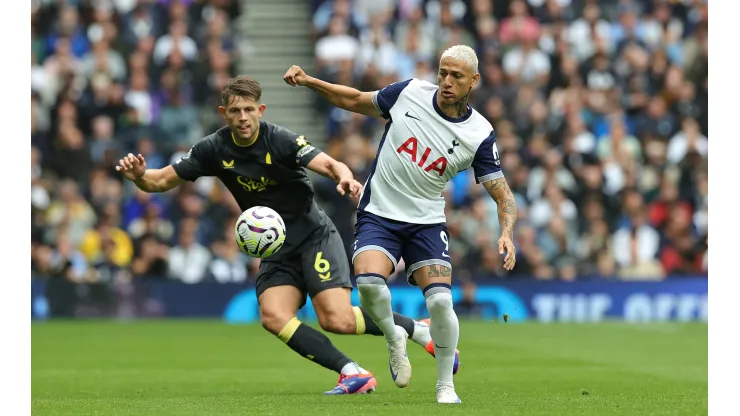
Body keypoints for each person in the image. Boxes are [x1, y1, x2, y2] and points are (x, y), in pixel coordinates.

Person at [115, 76, 444, 395]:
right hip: (275, 248)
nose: (242, 118)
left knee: (338, 319)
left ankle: (416, 328)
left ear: (261, 110)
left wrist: (345, 177)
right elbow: (158, 181)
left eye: (248, 109)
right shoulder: (212, 149)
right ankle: (353, 373)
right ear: (223, 113)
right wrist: (139, 177)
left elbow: (330, 165)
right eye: (235, 111)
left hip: (313, 235)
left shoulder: (281, 140)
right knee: (273, 317)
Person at [284, 44, 518, 403]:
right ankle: (395, 337)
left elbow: (502, 194)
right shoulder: (408, 93)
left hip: (425, 223)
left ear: (474, 81)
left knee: (440, 302)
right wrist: (309, 81)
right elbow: (354, 100)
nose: (446, 81)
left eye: (456, 76)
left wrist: (506, 232)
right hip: (379, 213)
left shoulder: (480, 134)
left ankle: (445, 386)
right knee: (368, 283)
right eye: (443, 72)